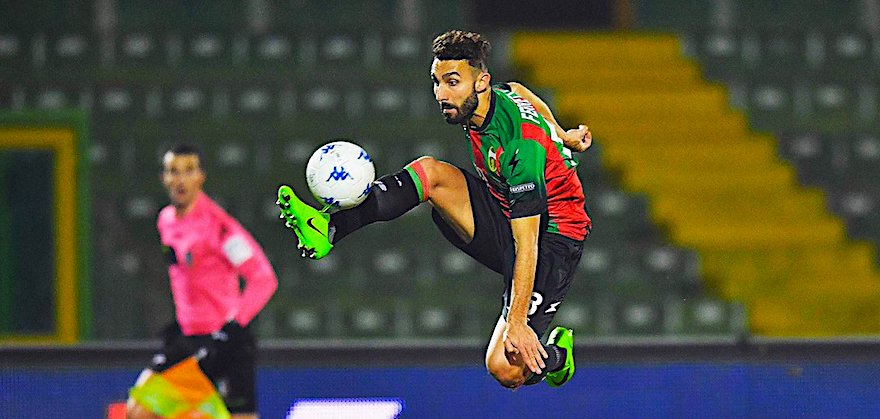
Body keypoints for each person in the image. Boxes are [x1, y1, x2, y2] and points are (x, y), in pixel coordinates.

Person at [277, 29, 592, 390]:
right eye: (437, 82)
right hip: (508, 216)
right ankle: (330, 227)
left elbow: (528, 243)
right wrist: (562, 135)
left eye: (452, 82)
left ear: (480, 83)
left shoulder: (521, 148)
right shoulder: (497, 97)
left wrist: (518, 322)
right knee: (431, 174)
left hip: (553, 240)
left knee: (505, 368)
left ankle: (558, 358)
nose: (442, 94)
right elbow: (521, 91)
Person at [128, 144, 278, 418]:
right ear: (164, 178)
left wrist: (233, 326)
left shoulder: (219, 228)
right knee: (139, 410)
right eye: (174, 171)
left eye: (188, 171)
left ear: (200, 177)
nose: (180, 179)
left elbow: (263, 279)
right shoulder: (166, 220)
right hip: (187, 339)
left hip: (224, 341)